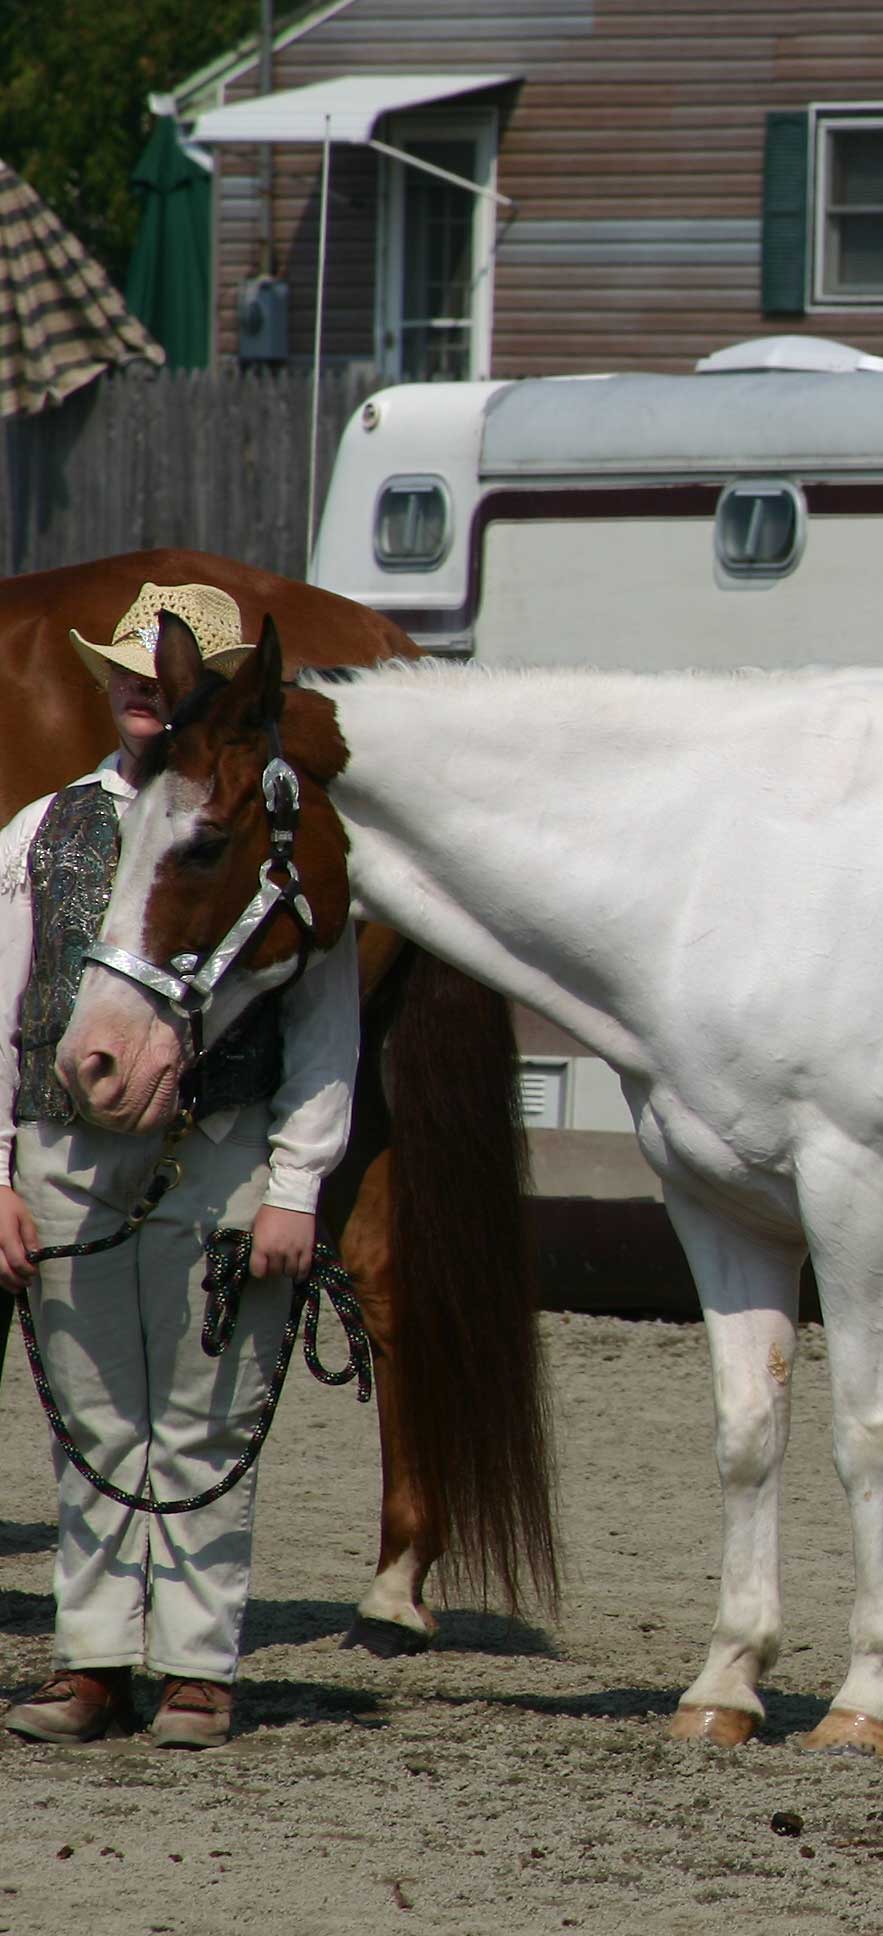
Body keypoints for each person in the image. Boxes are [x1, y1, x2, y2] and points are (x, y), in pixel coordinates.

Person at [0, 583, 360, 1749]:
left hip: (216, 1153)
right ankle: (96, 1657)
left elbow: (323, 1020)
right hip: (65, 1150)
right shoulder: (41, 827)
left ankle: (197, 1665)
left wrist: (299, 1181)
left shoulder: (262, 823)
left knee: (208, 1415)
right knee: (93, 1419)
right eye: (128, 678)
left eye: (162, 683)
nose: (137, 698)